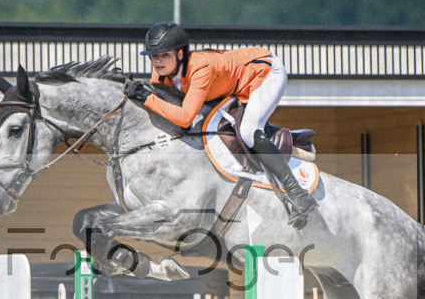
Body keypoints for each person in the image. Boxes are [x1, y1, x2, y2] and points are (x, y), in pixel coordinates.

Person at [124, 21, 318, 229]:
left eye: (164, 55)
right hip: (231, 84)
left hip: (265, 73)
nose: (158, 61)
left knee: (248, 131)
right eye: (154, 56)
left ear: (180, 55)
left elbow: (184, 118)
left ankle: (298, 195)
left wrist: (146, 98)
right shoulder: (161, 75)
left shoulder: (201, 68)